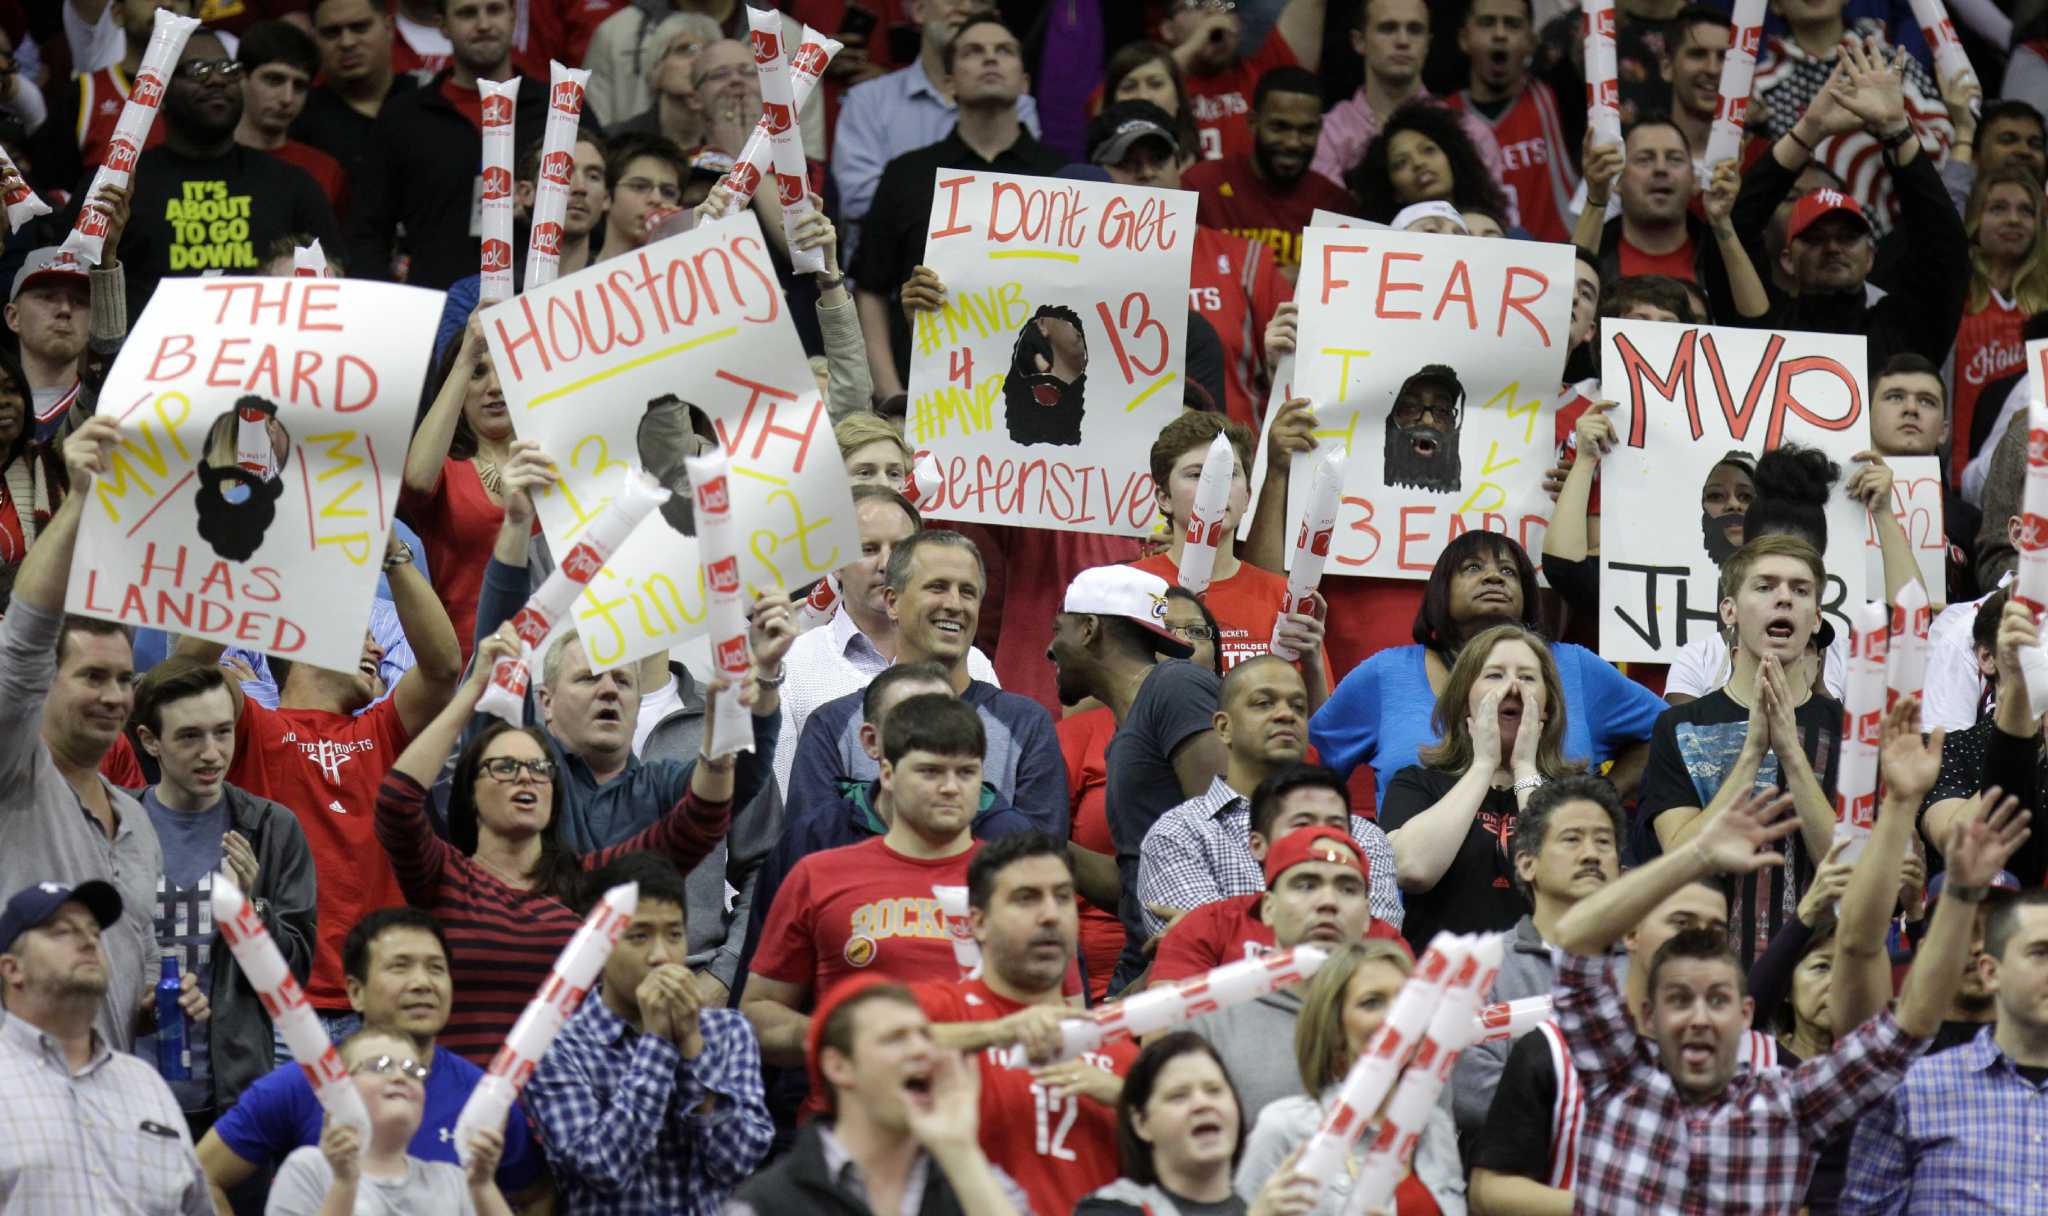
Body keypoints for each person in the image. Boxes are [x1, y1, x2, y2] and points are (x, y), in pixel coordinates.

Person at [1544, 777, 2019, 1214]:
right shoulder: (1615, 1078)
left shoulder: (1789, 1107)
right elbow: (1573, 940)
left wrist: (1958, 890)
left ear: (1746, 1012)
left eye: (1718, 1000)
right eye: (1680, 1000)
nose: (1699, 1019)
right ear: (1648, 1014)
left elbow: (1907, 1026)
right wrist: (1698, 853)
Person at [471, 445, 784, 1006]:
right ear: (543, 698)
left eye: (623, 681)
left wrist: (763, 677)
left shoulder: (664, 785)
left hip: (671, 999)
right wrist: (516, 525)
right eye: (590, 678)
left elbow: (740, 776)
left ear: (642, 703)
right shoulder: (528, 776)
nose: (611, 688)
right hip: (542, 1007)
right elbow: (500, 652)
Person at [374, 624, 745, 1064]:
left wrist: (721, 743)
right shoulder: (443, 875)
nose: (526, 776)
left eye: (539, 768)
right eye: (505, 767)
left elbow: (697, 823)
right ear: (470, 791)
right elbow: (397, 803)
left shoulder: (582, 882)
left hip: (562, 1110)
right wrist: (472, 691)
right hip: (464, 1106)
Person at [196, 908, 547, 1211]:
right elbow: (201, 1175)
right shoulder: (306, 1081)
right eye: (400, 967)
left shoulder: (480, 1095)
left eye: (436, 968)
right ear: (355, 991)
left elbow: (538, 1196)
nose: (423, 983)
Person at [744, 694, 1024, 1072]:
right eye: (930, 771)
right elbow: (757, 1013)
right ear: (887, 774)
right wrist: (841, 1041)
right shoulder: (818, 875)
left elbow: (1060, 1014)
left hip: (985, 1115)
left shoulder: (1019, 883)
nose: (950, 787)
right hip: (850, 1116)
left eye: (966, 772)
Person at [0, 416, 164, 1051]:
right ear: (47, 683)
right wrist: (79, 501)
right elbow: (22, 643)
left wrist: (151, 999)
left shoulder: (139, 822)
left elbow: (136, 964)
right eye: (93, 676)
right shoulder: (16, 770)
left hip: (109, 1081)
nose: (116, 696)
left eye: (125, 679)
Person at [1467, 836, 1743, 1210]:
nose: (1698, 939)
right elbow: (1488, 1192)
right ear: (1630, 933)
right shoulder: (1553, 1051)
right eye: (1681, 922)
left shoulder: (1751, 1055)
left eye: (1715, 929)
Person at [1311, 530, 1666, 809]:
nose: (1494, 577)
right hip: (1417, 890)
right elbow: (1311, 761)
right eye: (1473, 568)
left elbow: (1671, 731)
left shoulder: (1575, 666)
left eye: (1508, 571)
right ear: (1440, 591)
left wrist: (1604, 794)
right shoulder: (1386, 674)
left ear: (1528, 595)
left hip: (1559, 890)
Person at [525, 852, 774, 1215]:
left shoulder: (728, 1032)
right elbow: (603, 1166)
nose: (661, 955)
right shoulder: (558, 1049)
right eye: (639, 936)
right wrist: (656, 1044)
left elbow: (739, 1162)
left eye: (674, 934)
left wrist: (692, 1044)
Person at [131, 658, 317, 1125]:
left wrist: (251, 910)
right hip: (129, 1092)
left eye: (223, 732)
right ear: (150, 741)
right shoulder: (117, 825)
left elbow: (294, 975)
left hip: (233, 1099)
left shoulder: (271, 829)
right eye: (190, 736)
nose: (212, 753)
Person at [911, 833, 1136, 1215]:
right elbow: (854, 1048)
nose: (1051, 914)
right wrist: (999, 1031)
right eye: (1026, 898)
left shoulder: (1119, 1053)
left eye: (1063, 897)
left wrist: (1133, 1101)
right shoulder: (936, 1009)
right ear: (977, 923)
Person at [783, 529, 1066, 833]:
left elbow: (1043, 858)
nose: (955, 604)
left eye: (968, 592)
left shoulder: (1026, 724)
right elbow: (806, 853)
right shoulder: (832, 725)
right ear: (892, 602)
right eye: (937, 587)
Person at [852, 14, 1065, 400]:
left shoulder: (1061, 177)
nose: (989, 59)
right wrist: (890, 394)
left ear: (1025, 82)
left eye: (1003, 51)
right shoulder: (906, 174)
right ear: (949, 83)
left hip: (1041, 397)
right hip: (928, 395)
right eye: (973, 52)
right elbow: (870, 289)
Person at [1731, 37, 1970, 370]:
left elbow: (1946, 247)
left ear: (1871, 257)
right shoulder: (1768, 323)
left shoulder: (1906, 331)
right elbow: (1735, 231)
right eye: (1814, 239)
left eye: (1847, 237)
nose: (1832, 247)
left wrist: (1896, 130)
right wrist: (1808, 131)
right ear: (1787, 259)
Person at [1048, 563, 1223, 990]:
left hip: (1189, 966)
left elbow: (1227, 833)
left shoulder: (1175, 686)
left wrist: (1157, 980)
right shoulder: (1129, 730)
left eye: (1058, 629)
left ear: (1088, 628)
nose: (1050, 649)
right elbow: (1135, 882)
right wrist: (1043, 844)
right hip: (1150, 960)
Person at [724, 977, 1029, 1215]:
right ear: (839, 1066)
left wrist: (960, 1148)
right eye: (895, 1038)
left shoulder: (974, 1180)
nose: (923, 1050)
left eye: (925, 1035)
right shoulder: (767, 1203)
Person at [0, 878, 211, 1215]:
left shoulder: (147, 1086)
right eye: (62, 931)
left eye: (95, 932)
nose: (87, 941)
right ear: (12, 969)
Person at [1140, 659, 1398, 934]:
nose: (1287, 715)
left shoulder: (1363, 837)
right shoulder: (1179, 833)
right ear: (1224, 727)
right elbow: (1198, 962)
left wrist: (1220, 932)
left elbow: (1375, 950)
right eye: (1264, 703)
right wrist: (1327, 935)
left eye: (1299, 707)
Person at [774, 485, 998, 796]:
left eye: (901, 548)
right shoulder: (791, 663)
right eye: (868, 549)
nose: (887, 563)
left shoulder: (972, 663)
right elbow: (783, 803)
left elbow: (992, 776)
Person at [99, 28, 340, 312]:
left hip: (266, 350)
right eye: (198, 69)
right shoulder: (120, 183)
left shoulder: (293, 185)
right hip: (153, 351)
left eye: (228, 69)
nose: (216, 79)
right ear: (160, 91)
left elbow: (336, 288)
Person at [1842, 880, 2048, 1210]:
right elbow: (1857, 949)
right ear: (1992, 970)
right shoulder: (1909, 1081)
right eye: (2039, 953)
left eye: (1993, 928)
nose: (1978, 944)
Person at [1380, 624, 1583, 951]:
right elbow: (1412, 870)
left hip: (1542, 984)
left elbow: (1566, 878)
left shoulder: (1581, 794)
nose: (1512, 688)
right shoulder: (1417, 783)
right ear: (1463, 702)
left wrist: (1525, 769)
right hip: (1441, 985)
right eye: (1495, 675)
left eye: (1528, 677)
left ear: (1547, 706)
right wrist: (1483, 765)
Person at [1091, 100, 1289, 431]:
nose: (1146, 172)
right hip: (1110, 470)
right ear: (1097, 174)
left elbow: (1298, 373)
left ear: (1181, 164)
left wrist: (1278, 369)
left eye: (1158, 158)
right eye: (1127, 162)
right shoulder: (1077, 272)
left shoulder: (1248, 261)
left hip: (1234, 466)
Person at [1446, 773, 1622, 1138]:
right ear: (1526, 864)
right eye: (1571, 839)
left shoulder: (1646, 968)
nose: (1591, 854)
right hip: (1514, 1176)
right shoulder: (1481, 972)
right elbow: (1473, 1098)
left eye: (1604, 841)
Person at [1234, 941, 1465, 1215]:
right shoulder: (1284, 1128)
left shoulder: (1435, 1126)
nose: (1398, 1016)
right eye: (1372, 1002)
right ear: (1334, 1029)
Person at [347, 0, 549, 289]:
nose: (483, 24)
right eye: (467, 13)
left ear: (513, 17)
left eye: (494, 9)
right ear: (441, 24)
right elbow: (368, 231)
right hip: (431, 309)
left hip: (538, 304)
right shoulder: (403, 118)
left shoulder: (557, 109)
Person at [1151, 766, 1409, 986]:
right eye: (1302, 825)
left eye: (1335, 827)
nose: (1319, 838)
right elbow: (1164, 1036)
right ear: (1257, 845)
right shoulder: (1205, 927)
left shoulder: (1383, 939)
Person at [1189, 826, 1379, 1122]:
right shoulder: (1211, 1023)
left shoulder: (1403, 1023)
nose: (1328, 902)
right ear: (1268, 908)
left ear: (1367, 916)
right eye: (1305, 885)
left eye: (1347, 888)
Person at [832, 0, 1042, 268]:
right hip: (887, 275)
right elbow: (860, 200)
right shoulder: (868, 100)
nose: (965, 7)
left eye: (977, 1)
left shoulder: (1017, 104)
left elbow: (1023, 202)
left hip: (990, 276)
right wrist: (971, 214)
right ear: (919, 11)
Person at [1133, 410, 1329, 687]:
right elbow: (1083, 718)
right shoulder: (1125, 587)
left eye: (1231, 473)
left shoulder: (1284, 596)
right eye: (1196, 474)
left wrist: (1314, 665)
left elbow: (1321, 723)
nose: (1217, 483)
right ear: (1164, 498)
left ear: (1247, 497)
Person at [263, 1028, 512, 1216]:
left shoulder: (454, 1181)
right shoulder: (309, 1168)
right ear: (340, 1089)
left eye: (414, 1071)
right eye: (380, 1065)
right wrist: (344, 1184)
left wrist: (483, 1186)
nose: (400, 1076)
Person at [432, 129, 613, 361]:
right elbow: (450, 389)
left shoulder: (620, 287)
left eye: (594, 176)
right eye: (561, 171)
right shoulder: (472, 296)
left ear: (607, 198)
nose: (580, 187)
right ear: (526, 193)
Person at [1574, 117, 1769, 322]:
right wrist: (1596, 199)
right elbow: (1565, 313)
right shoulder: (1596, 251)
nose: (1661, 168)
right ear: (1618, 179)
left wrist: (1721, 220)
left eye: (1675, 159)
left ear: (1695, 180)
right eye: (1644, 159)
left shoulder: (1720, 255)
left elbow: (1759, 329)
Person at [1313, 0, 1502, 197]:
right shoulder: (1327, 134)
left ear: (1428, 43)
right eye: (1388, 28)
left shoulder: (1471, 133)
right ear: (1359, 41)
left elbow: (1494, 219)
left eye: (1414, 30)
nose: (1403, 41)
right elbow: (1323, 218)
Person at [1182, 65, 1354, 278]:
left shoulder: (1336, 206)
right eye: (1279, 127)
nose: (1292, 142)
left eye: (1306, 130)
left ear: (1320, 129)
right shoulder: (1202, 186)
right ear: (1253, 123)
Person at [1446, 0, 1572, 243]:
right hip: (1473, 262)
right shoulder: (1443, 116)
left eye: (1512, 24)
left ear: (1531, 42)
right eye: (1487, 23)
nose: (1500, 34)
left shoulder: (1558, 100)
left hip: (1554, 264)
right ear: (1464, 38)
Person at [1953, 166, 2047, 473]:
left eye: (2026, 211)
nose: (2013, 219)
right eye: (1998, 208)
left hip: (2028, 469)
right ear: (1975, 218)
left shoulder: (2045, 308)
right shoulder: (1953, 294)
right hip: (1954, 461)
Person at [1161, 0, 1327, 163]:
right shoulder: (1157, 86)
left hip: (1257, 189)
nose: (1213, 11)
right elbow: (1138, 101)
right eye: (1196, 4)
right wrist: (1195, 44)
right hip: (1180, 189)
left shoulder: (1263, 73)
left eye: (1225, 4)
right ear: (1168, 30)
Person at [6, 237, 123, 446]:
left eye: (79, 301)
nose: (65, 310)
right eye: (48, 297)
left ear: (95, 321)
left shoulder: (113, 406)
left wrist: (107, 263)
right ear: (13, 317)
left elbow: (108, 350)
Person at [231, 21, 348, 219]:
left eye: (299, 86)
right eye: (274, 80)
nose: (287, 98)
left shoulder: (325, 170)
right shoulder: (205, 159)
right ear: (241, 77)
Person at [294, 0, 418, 183]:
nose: (347, 42)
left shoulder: (432, 104)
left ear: (389, 28)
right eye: (331, 33)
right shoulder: (297, 118)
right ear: (314, 41)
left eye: (360, 27)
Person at [1347, 98, 1512, 226]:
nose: (1418, 163)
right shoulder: (1381, 253)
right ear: (1393, 191)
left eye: (1428, 150)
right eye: (1401, 163)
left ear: (1452, 161)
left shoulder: (1512, 238)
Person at [599, 20, 719, 145]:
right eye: (684, 50)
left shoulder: (732, 143)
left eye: (708, 52)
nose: (698, 60)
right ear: (656, 68)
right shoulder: (617, 141)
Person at [593, 131, 687, 265]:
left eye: (668, 192)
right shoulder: (571, 277)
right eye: (640, 186)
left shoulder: (687, 279)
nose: (656, 199)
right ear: (606, 197)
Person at [1102, 40, 1203, 157]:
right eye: (1129, 87)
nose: (1144, 97)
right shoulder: (1095, 173)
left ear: (1178, 97)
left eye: (1156, 84)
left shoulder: (1207, 171)